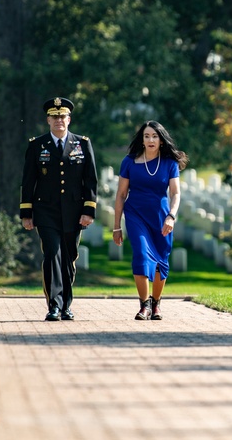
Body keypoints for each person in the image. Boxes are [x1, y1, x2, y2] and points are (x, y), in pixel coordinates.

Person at [20, 97, 98, 322]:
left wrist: (88, 210)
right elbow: (28, 180)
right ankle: (54, 305)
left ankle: (66, 306)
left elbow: (90, 181)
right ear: (48, 120)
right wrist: (27, 213)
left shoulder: (82, 144)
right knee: (52, 253)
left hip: (74, 212)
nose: (59, 121)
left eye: (62, 117)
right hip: (45, 210)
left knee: (69, 258)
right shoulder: (37, 145)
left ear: (69, 119)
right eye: (54, 117)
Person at [112, 121, 187, 321]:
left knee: (160, 262)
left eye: (155, 136)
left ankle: (156, 304)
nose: (151, 140)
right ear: (142, 139)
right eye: (147, 136)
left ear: (161, 140)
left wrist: (171, 216)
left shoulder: (170, 163)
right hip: (135, 214)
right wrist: (117, 226)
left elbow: (176, 193)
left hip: (161, 217)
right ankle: (144, 305)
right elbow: (120, 195)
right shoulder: (129, 161)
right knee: (141, 256)